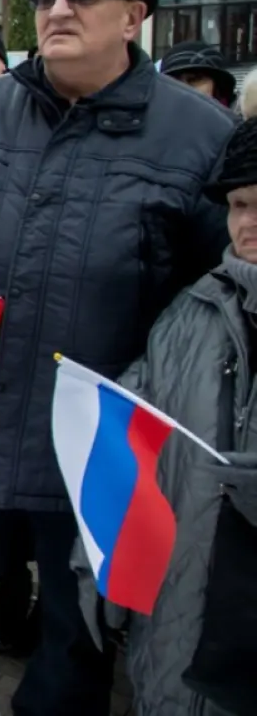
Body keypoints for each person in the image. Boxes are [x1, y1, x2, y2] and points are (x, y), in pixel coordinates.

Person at [0, 0, 236, 716]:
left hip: (101, 450)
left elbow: (218, 291)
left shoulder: (201, 138)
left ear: (134, 14)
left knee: (74, 645)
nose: (57, 11)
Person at [98, 118, 257, 716]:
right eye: (240, 204)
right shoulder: (191, 314)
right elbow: (124, 448)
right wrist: (102, 574)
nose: (249, 222)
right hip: (175, 633)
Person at [161, 40, 236, 110]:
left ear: (218, 87)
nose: (184, 89)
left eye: (194, 79)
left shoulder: (237, 122)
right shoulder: (154, 121)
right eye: (174, 82)